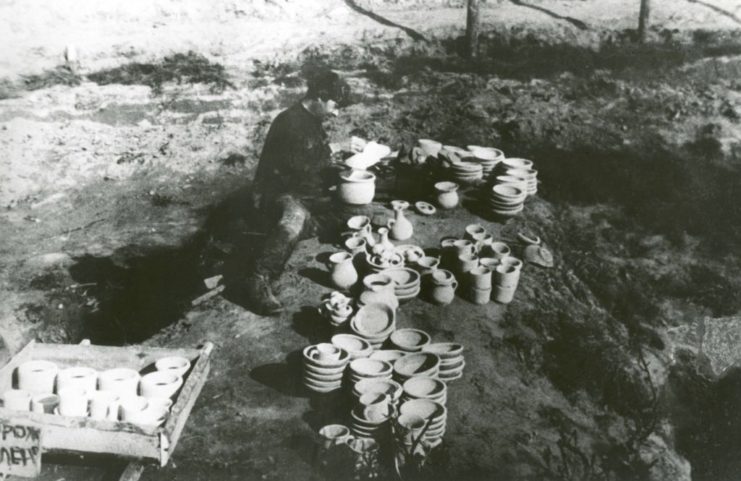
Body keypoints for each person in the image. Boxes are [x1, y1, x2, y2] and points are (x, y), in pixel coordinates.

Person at [244, 69, 365, 315]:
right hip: (276, 193)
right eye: (334, 104)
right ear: (319, 97)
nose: (335, 111)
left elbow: (314, 165)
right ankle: (258, 278)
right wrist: (336, 147)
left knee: (355, 211)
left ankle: (309, 227)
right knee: (294, 219)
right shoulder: (288, 121)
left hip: (305, 191)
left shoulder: (313, 121)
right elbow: (298, 164)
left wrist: (346, 169)